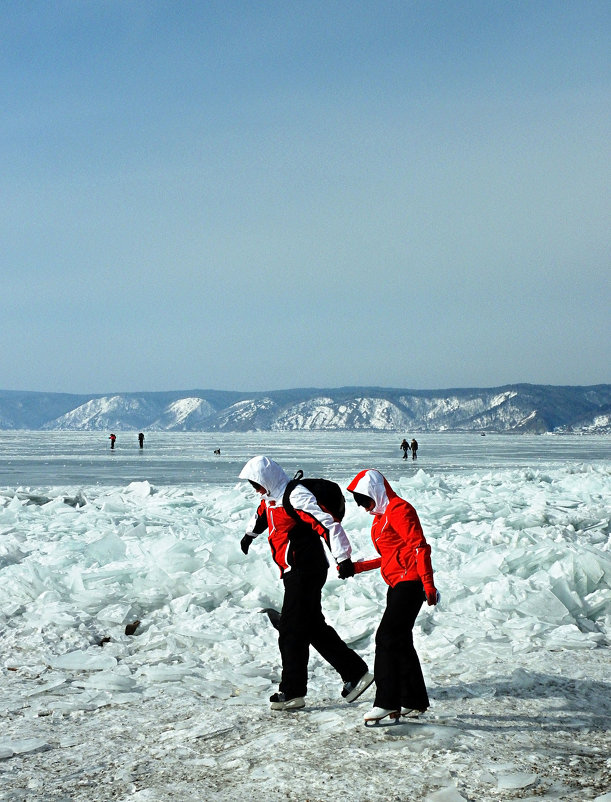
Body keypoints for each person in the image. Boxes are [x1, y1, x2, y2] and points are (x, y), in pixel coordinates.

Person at [239, 456, 373, 712]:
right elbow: (263, 513)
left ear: (267, 479)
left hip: (305, 569)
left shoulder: (295, 496)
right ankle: (355, 672)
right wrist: (250, 535)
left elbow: (326, 523)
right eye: (253, 485)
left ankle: (292, 691)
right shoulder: (272, 497)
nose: (255, 489)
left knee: (290, 630)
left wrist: (343, 557)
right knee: (311, 626)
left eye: (256, 483)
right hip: (295, 569)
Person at [346, 469, 437, 725]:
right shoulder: (381, 517)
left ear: (375, 491)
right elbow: (390, 555)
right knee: (401, 642)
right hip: (397, 583)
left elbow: (420, 547)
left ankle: (387, 702)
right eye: (359, 503)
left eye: (364, 500)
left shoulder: (400, 510)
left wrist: (427, 584)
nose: (363, 507)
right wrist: (357, 567)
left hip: (411, 583)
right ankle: (415, 700)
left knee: (386, 638)